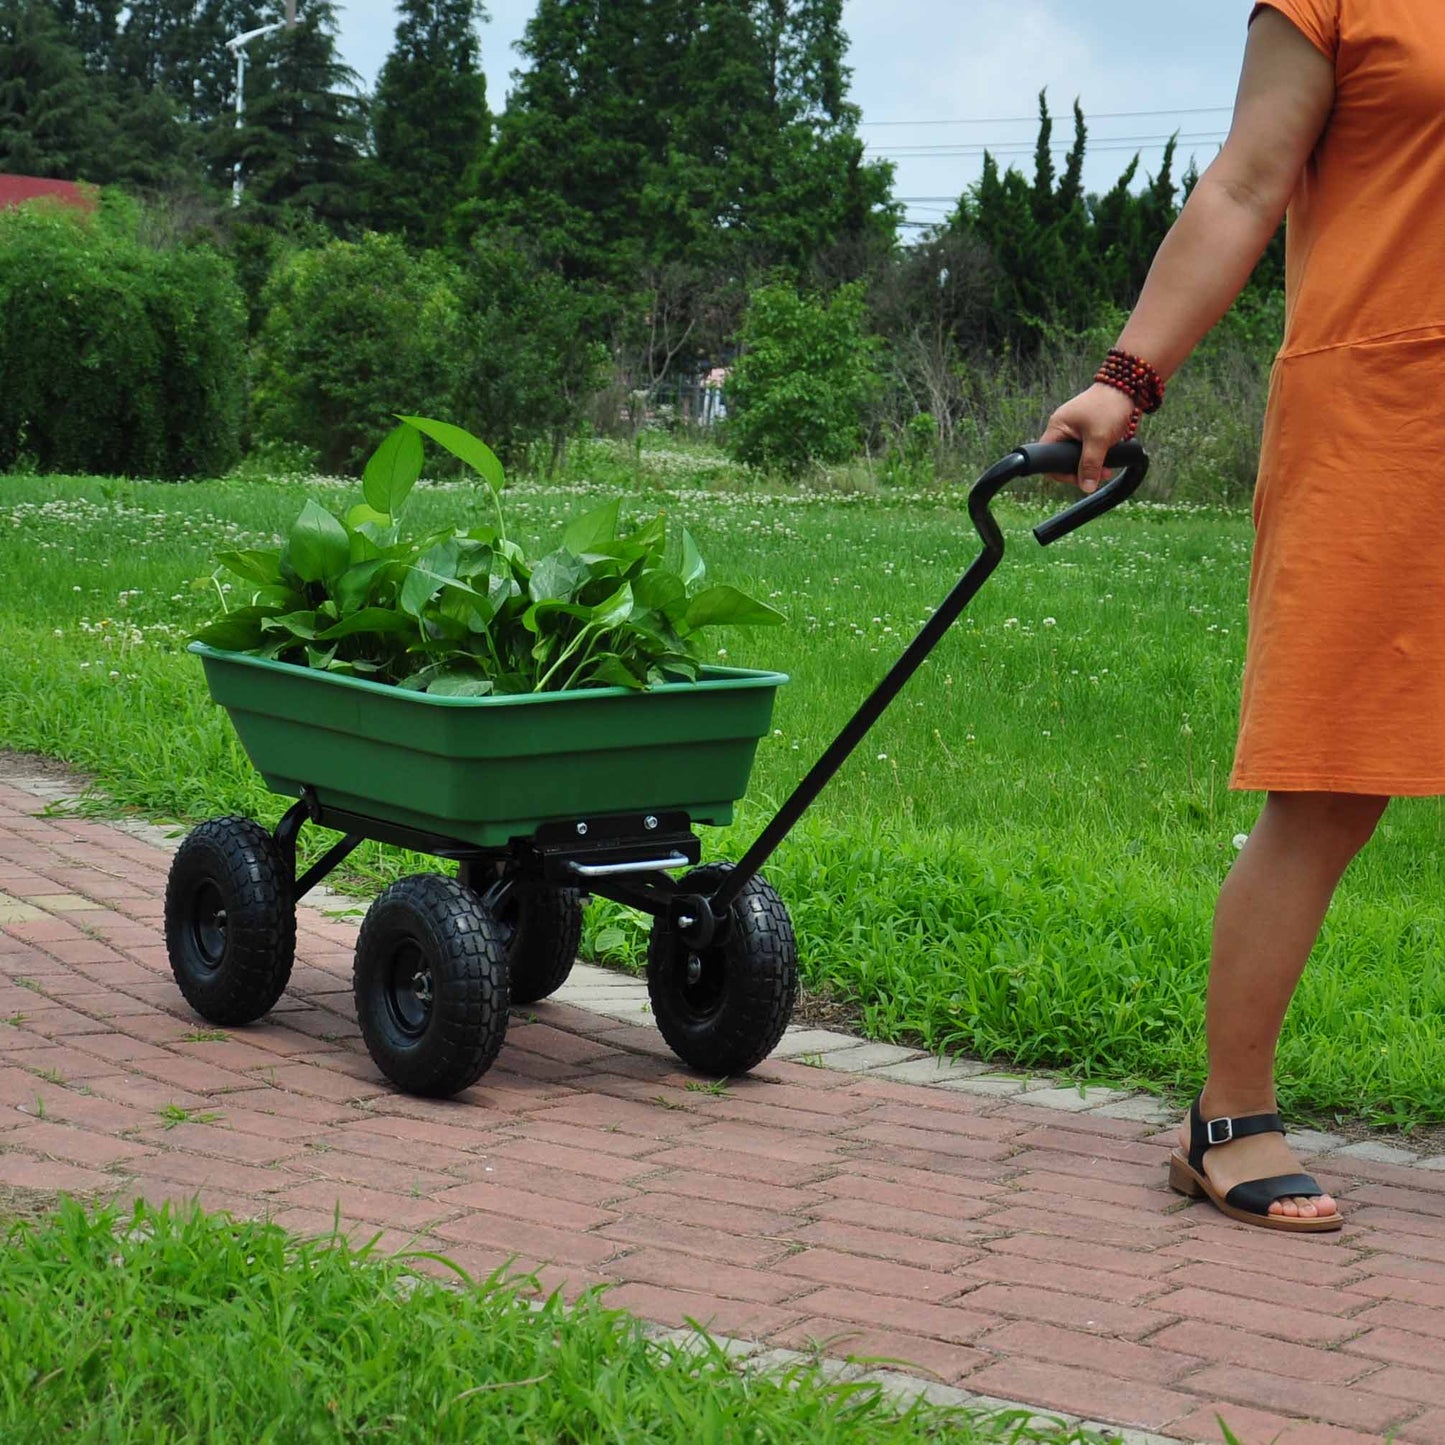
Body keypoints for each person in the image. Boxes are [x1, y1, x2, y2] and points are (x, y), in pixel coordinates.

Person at [1039, 0, 1445, 1233]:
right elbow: (1242, 181)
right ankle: (1228, 1113)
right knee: (1329, 779)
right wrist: (1124, 379)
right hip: (1389, 414)